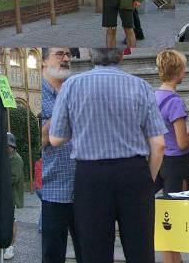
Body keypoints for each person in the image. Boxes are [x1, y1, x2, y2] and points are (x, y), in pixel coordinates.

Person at [49, 48, 166, 263]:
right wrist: (147, 179)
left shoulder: (72, 85)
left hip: (91, 176)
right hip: (134, 173)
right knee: (141, 249)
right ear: (121, 55)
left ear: (92, 55)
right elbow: (158, 145)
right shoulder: (140, 86)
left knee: (95, 251)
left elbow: (56, 138)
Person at [154, 49, 189, 263]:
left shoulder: (153, 96)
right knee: (174, 218)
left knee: (168, 214)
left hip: (159, 159)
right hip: (176, 162)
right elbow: (182, 141)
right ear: (179, 71)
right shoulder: (174, 101)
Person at [41, 47, 83, 263]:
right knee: (53, 255)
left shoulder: (76, 90)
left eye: (68, 55)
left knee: (88, 254)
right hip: (54, 191)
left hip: (83, 188)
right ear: (43, 62)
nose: (66, 58)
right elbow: (40, 139)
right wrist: (64, 105)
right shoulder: (37, 94)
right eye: (60, 54)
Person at [5, 132, 24, 260]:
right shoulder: (5, 157)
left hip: (11, 195)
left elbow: (14, 178)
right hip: (2, 194)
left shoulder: (16, 159)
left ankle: (10, 246)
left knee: (11, 220)